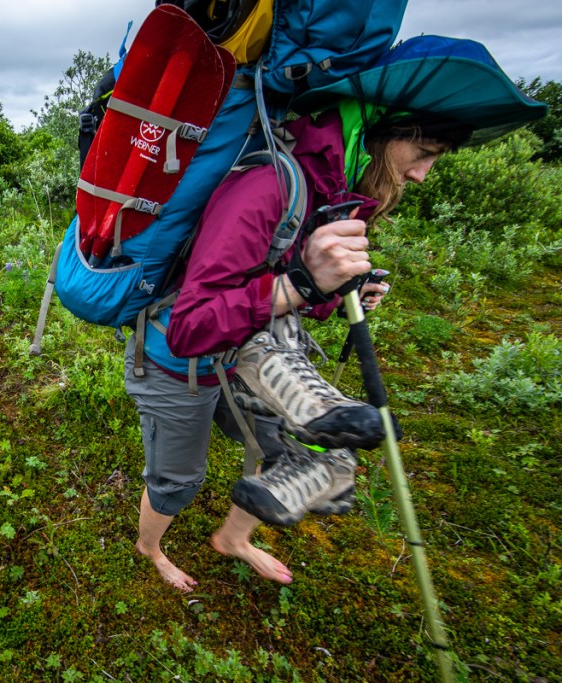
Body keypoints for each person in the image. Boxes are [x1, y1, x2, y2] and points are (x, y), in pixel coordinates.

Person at [125, 35, 547, 591]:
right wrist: (304, 282)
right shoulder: (268, 185)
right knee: (179, 479)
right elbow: (191, 325)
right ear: (379, 131)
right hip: (178, 363)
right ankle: (149, 548)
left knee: (279, 450)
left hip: (251, 354)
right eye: (423, 154)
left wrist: (331, 288)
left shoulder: (330, 187)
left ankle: (234, 537)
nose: (422, 174)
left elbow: (274, 279)